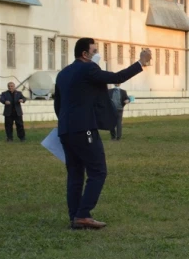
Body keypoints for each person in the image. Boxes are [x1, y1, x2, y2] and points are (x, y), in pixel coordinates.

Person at [54, 38, 150, 230]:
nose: (97, 54)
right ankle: (83, 215)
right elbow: (117, 77)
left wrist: (67, 123)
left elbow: (58, 104)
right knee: (98, 171)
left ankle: (75, 216)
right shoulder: (88, 69)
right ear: (85, 54)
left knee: (75, 174)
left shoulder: (63, 74)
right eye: (94, 50)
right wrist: (141, 62)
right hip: (84, 129)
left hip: (65, 130)